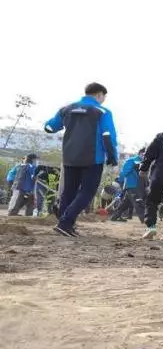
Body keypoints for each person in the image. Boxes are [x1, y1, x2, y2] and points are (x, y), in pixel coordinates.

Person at [43, 82, 118, 237]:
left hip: (70, 156)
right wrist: (112, 157)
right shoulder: (102, 111)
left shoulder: (67, 109)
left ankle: (66, 225)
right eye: (103, 97)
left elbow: (50, 127)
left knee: (69, 191)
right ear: (99, 95)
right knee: (87, 191)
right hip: (93, 157)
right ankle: (65, 222)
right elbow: (107, 135)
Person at [110, 148, 145, 222]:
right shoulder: (132, 160)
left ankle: (115, 216)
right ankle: (144, 219)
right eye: (143, 154)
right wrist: (120, 181)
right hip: (132, 184)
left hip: (138, 185)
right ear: (140, 153)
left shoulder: (143, 162)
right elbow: (124, 172)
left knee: (126, 203)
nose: (144, 156)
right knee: (138, 201)